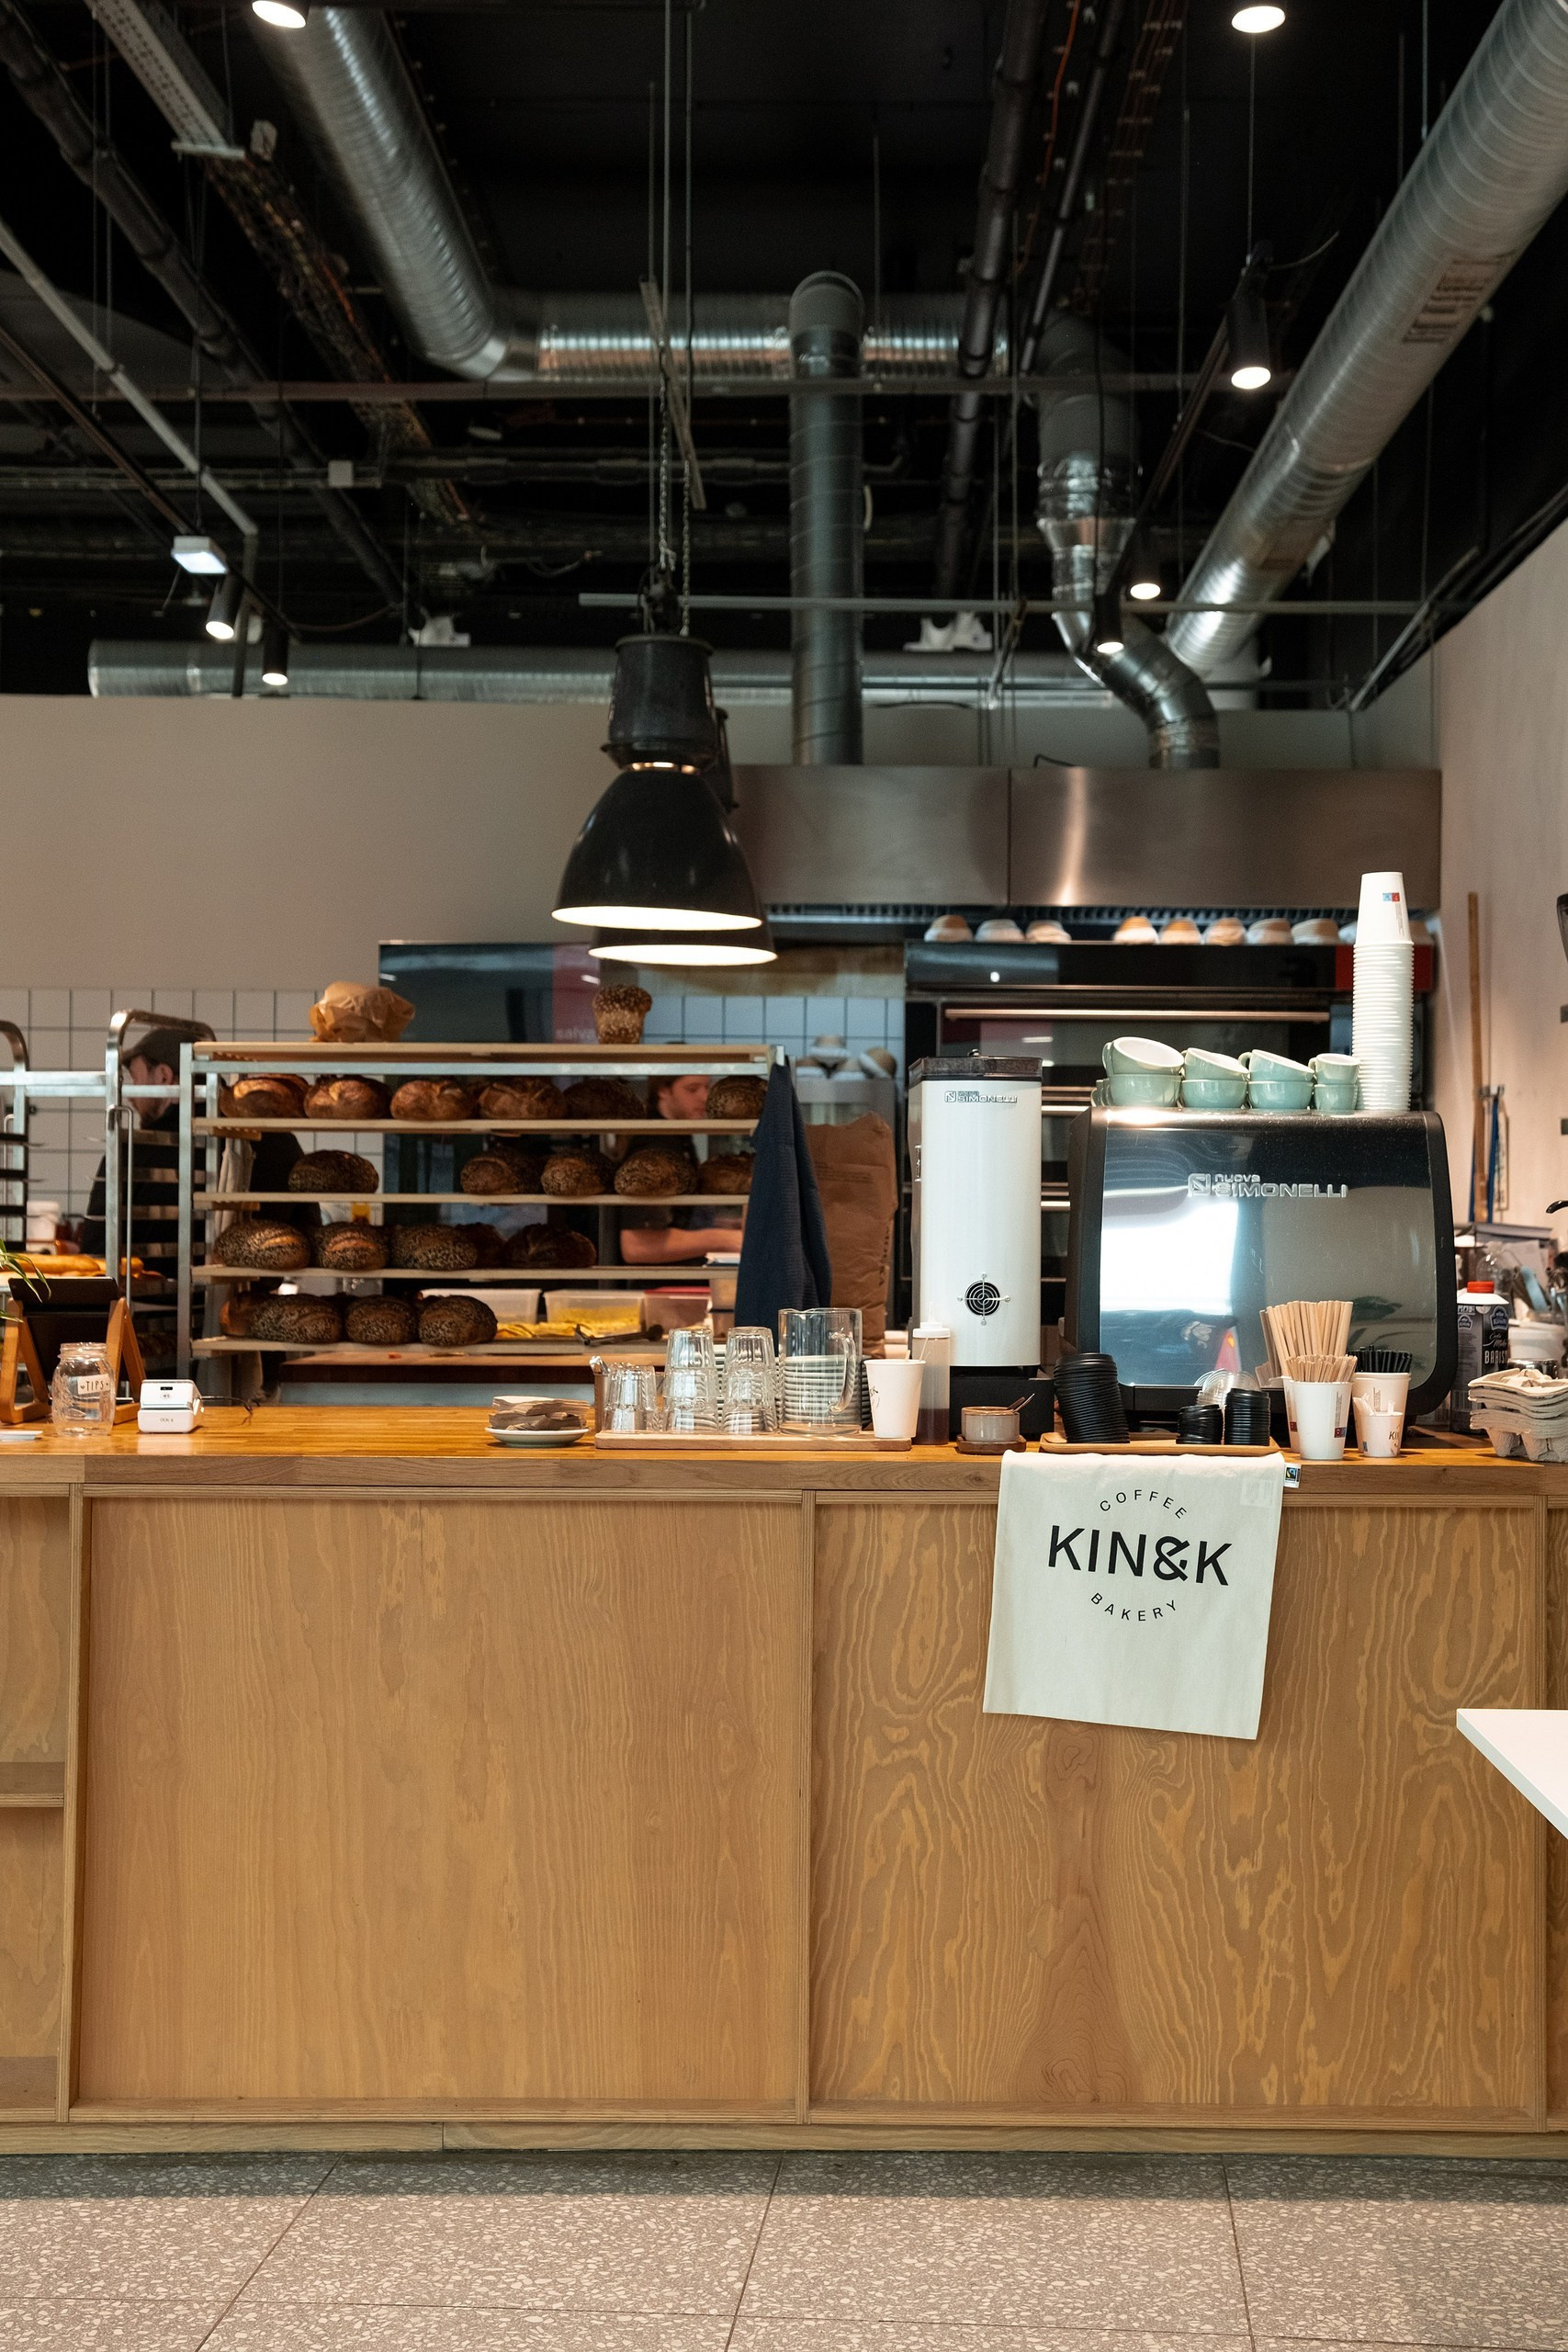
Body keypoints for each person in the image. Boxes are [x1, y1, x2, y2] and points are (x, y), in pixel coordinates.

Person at [82, 1026, 308, 1282]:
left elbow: (95, 1258)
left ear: (164, 1076)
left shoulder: (133, 1150)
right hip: (256, 1305)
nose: (132, 1097)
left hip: (149, 1305)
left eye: (136, 1079)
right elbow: (309, 1232)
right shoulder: (280, 1140)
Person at [618, 1070, 747, 1267]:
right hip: (660, 1281)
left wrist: (725, 1226)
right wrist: (724, 1238)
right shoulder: (655, 1149)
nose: (705, 1097)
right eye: (692, 1089)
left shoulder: (678, 1139)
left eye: (707, 1087)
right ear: (664, 1091)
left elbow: (678, 1219)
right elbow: (637, 1246)